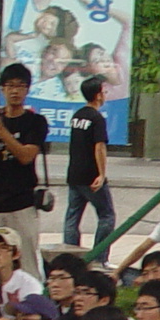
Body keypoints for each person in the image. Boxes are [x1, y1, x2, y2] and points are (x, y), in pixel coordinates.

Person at [0, 64, 51, 278]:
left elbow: (26, 156)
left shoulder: (35, 122)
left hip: (21, 201)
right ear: (2, 89)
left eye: (20, 86)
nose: (15, 91)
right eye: (10, 86)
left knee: (27, 259)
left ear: (27, 90)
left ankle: (33, 300)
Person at [61, 74, 115, 256]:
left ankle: (70, 255)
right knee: (107, 216)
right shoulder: (97, 118)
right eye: (104, 91)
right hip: (91, 176)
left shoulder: (77, 116)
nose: (105, 94)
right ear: (98, 95)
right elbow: (99, 147)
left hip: (74, 174)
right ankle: (99, 257)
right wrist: (101, 174)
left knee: (72, 217)